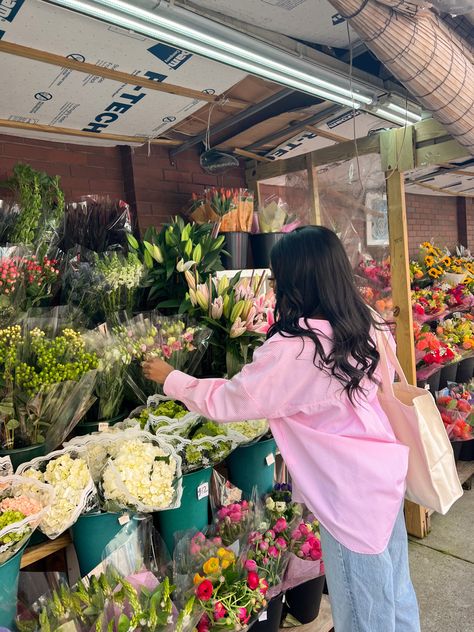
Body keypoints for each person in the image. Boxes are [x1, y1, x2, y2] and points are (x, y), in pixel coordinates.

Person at [143, 225, 420, 632]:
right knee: (395, 595)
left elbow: (232, 400)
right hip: (383, 477)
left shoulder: (297, 349)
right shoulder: (367, 323)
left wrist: (171, 378)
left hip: (347, 499)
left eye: (276, 275)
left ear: (296, 280)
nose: (274, 284)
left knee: (365, 617)